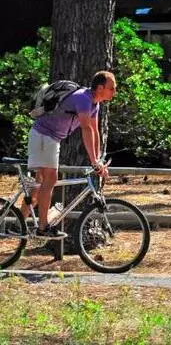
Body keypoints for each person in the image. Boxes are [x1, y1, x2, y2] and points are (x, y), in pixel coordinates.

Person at [25, 71, 115, 239]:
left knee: (38, 187)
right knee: (50, 179)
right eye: (112, 88)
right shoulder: (83, 99)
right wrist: (94, 161)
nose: (114, 92)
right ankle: (42, 227)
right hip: (44, 136)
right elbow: (86, 129)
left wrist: (98, 161)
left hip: (52, 139)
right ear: (101, 87)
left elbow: (95, 131)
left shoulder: (95, 103)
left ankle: (18, 224)